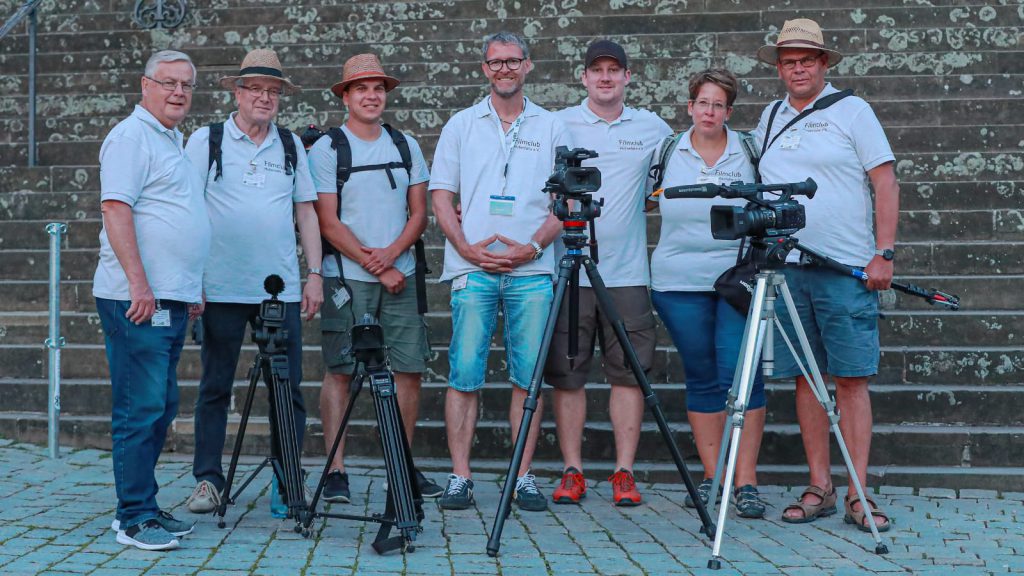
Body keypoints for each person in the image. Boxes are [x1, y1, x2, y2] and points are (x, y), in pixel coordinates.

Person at [754, 18, 898, 531]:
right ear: (779, 68)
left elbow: (884, 182)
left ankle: (860, 491)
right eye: (789, 61)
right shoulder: (768, 118)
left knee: (851, 380)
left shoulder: (853, 111)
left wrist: (884, 252)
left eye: (807, 60)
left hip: (846, 269)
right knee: (806, 381)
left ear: (823, 64)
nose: (798, 68)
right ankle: (820, 485)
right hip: (790, 269)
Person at [430, 31, 572, 512]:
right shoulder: (461, 125)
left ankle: (522, 476)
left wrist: (533, 246)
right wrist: (466, 248)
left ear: (528, 65)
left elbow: (567, 201)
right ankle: (460, 476)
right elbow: (440, 196)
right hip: (473, 268)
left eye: (513, 61)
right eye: (496, 62)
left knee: (527, 377)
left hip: (532, 269)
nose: (505, 69)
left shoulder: (552, 126)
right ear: (484, 68)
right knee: (464, 372)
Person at [182, 49, 323, 516]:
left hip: (277, 290)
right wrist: (191, 278)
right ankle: (207, 481)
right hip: (219, 287)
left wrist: (316, 274)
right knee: (215, 386)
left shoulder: (290, 145)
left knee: (287, 389)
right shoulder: (206, 140)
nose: (265, 98)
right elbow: (185, 208)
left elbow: (306, 210)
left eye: (273, 91)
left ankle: (287, 483)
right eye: (256, 89)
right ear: (237, 93)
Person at [308, 53, 442, 503]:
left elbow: (419, 213)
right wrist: (380, 267)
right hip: (349, 279)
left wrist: (392, 259)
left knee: (409, 370)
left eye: (378, 88)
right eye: (361, 88)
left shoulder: (405, 145)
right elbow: (327, 222)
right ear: (345, 96)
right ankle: (336, 470)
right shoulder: (328, 148)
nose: (371, 96)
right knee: (341, 370)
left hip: (401, 272)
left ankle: (400, 466)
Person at [545, 40, 671, 507]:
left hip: (628, 271)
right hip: (569, 269)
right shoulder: (558, 124)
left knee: (629, 375)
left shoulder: (652, 126)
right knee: (568, 375)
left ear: (627, 77)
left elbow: (662, 186)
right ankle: (572, 469)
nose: (604, 77)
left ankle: (624, 471)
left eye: (613, 70)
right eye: (595, 70)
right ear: (582, 77)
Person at [94, 50, 209, 550]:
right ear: (145, 86)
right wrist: (139, 283)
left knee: (161, 406)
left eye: (186, 84)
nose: (178, 92)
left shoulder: (172, 139)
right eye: (168, 83)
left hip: (171, 296)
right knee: (139, 407)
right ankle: (132, 516)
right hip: (135, 298)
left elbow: (175, 217)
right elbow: (116, 209)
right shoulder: (130, 137)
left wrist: (190, 285)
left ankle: (144, 501)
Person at [648, 69, 768, 518]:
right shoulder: (666, 150)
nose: (709, 112)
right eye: (703, 103)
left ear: (729, 112)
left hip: (736, 280)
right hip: (677, 280)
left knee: (741, 375)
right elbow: (639, 199)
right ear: (690, 107)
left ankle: (747, 482)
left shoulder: (749, 150)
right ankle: (713, 473)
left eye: (718, 105)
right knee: (700, 375)